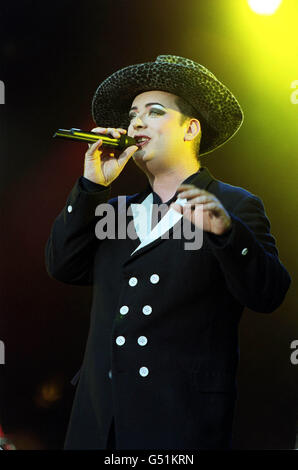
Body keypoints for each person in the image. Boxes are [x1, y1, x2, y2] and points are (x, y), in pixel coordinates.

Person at [45, 55, 291, 450]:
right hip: (100, 421)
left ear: (190, 128)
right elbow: (62, 265)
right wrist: (90, 187)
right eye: (132, 115)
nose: (136, 123)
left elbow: (269, 293)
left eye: (154, 112)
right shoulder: (114, 209)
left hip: (179, 422)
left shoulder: (235, 204)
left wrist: (226, 232)